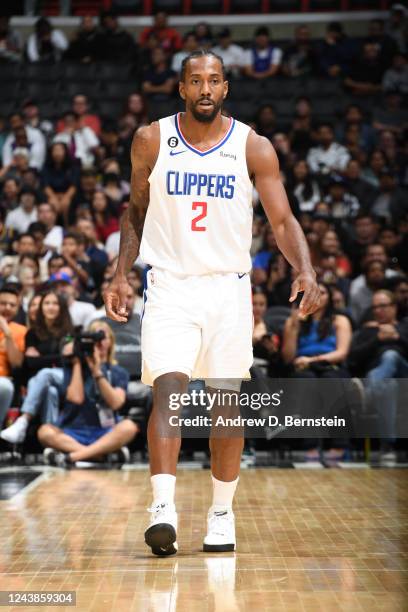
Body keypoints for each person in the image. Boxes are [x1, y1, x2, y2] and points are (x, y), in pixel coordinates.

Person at [103, 50, 320, 556]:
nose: (205, 88)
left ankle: (221, 515)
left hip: (228, 287)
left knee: (227, 403)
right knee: (170, 392)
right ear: (181, 88)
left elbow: (282, 220)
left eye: (214, 80)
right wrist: (120, 274)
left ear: (226, 88)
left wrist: (305, 267)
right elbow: (134, 211)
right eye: (195, 80)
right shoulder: (151, 139)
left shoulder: (253, 146)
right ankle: (163, 508)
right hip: (171, 283)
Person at [37, 320, 138, 465]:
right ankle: (99, 455)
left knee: (129, 427)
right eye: (94, 338)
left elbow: (116, 403)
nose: (99, 342)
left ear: (111, 342)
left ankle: (73, 456)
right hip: (73, 430)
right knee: (44, 431)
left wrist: (97, 372)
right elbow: (76, 399)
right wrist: (78, 362)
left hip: (105, 432)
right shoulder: (73, 366)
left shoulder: (118, 372)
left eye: (103, 337)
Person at [281, 282, 352, 460]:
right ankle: (309, 444)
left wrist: (313, 359)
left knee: (331, 382)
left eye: (322, 293)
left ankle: (339, 445)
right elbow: (288, 358)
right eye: (313, 292)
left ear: (329, 298)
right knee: (306, 383)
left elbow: (342, 353)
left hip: (330, 364)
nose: (318, 296)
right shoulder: (294, 320)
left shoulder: (340, 320)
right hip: (303, 367)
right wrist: (293, 327)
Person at [0, 290, 73, 444]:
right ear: (41, 307)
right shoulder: (33, 333)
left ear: (61, 308)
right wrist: (54, 359)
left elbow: (67, 360)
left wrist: (42, 359)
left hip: (66, 378)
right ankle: (51, 441)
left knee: (45, 373)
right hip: (41, 383)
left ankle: (23, 420)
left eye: (55, 303)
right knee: (49, 391)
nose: (50, 307)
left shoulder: (69, 332)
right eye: (47, 303)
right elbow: (30, 363)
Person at [349, 289, 408, 461]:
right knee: (389, 385)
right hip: (383, 379)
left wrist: (397, 336)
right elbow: (353, 359)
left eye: (382, 306)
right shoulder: (368, 331)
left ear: (394, 307)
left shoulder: (404, 327)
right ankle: (387, 445)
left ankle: (367, 395)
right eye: (374, 307)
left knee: (391, 356)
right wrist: (377, 340)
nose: (378, 311)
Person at [0, 286, 26, 431]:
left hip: (4, 381)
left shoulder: (20, 331)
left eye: (12, 305)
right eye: (3, 303)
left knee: (4, 386)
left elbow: (17, 363)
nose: (7, 308)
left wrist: (7, 333)